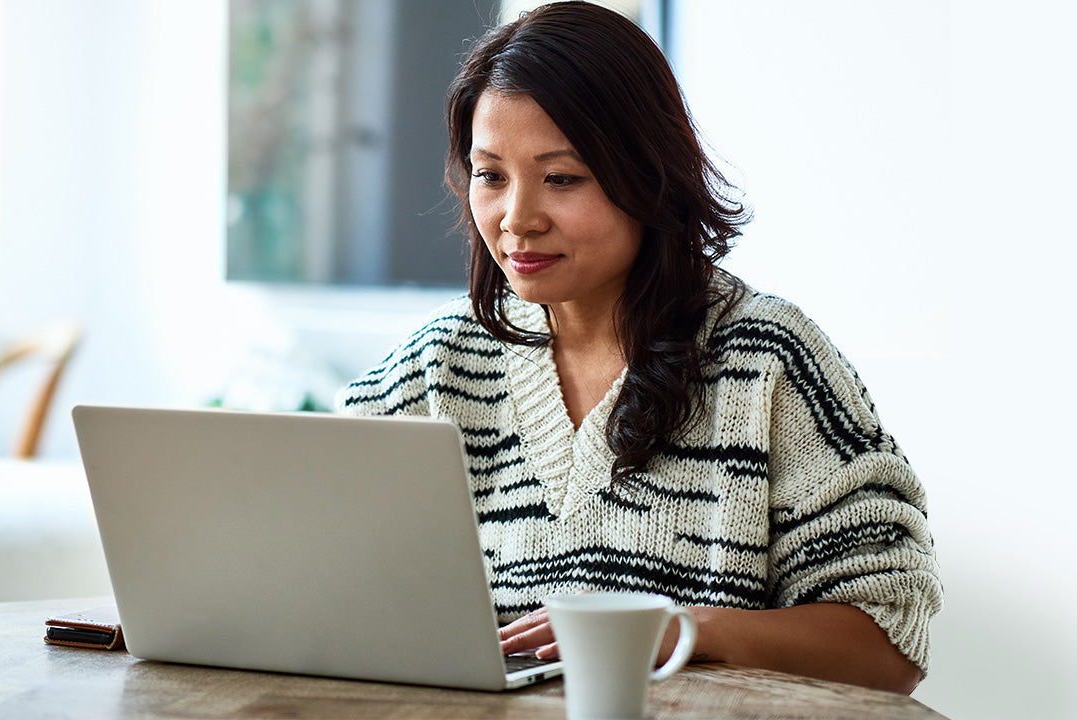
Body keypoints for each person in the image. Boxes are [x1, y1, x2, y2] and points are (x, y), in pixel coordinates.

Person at [336, 0, 942, 694]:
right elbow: (315, 577)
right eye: (490, 174)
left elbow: (888, 642)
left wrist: (680, 630)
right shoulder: (434, 366)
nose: (516, 218)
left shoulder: (768, 359)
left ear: (647, 175)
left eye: (562, 178)